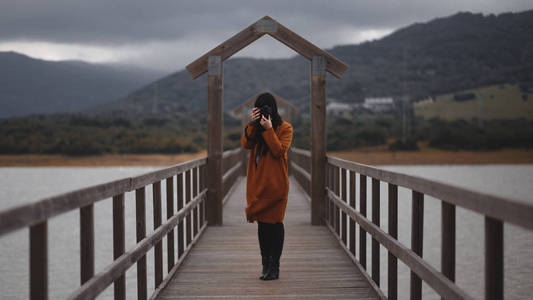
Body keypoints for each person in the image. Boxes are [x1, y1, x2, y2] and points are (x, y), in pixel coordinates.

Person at [240, 92, 293, 281]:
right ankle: (265, 265)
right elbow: (245, 145)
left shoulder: (285, 128)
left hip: (277, 186)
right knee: (263, 226)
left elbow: (279, 151)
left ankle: (275, 267)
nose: (263, 111)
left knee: (275, 224)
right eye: (259, 108)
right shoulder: (254, 128)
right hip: (258, 186)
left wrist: (269, 129)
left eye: (265, 108)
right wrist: (253, 124)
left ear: (273, 109)